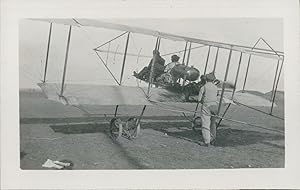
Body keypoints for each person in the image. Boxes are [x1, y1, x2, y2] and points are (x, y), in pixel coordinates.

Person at [197, 72, 218, 146]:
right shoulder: (215, 87)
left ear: (206, 79)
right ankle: (213, 139)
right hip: (214, 106)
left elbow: (199, 99)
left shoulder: (204, 87)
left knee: (205, 123)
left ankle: (206, 141)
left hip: (207, 106)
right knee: (213, 123)